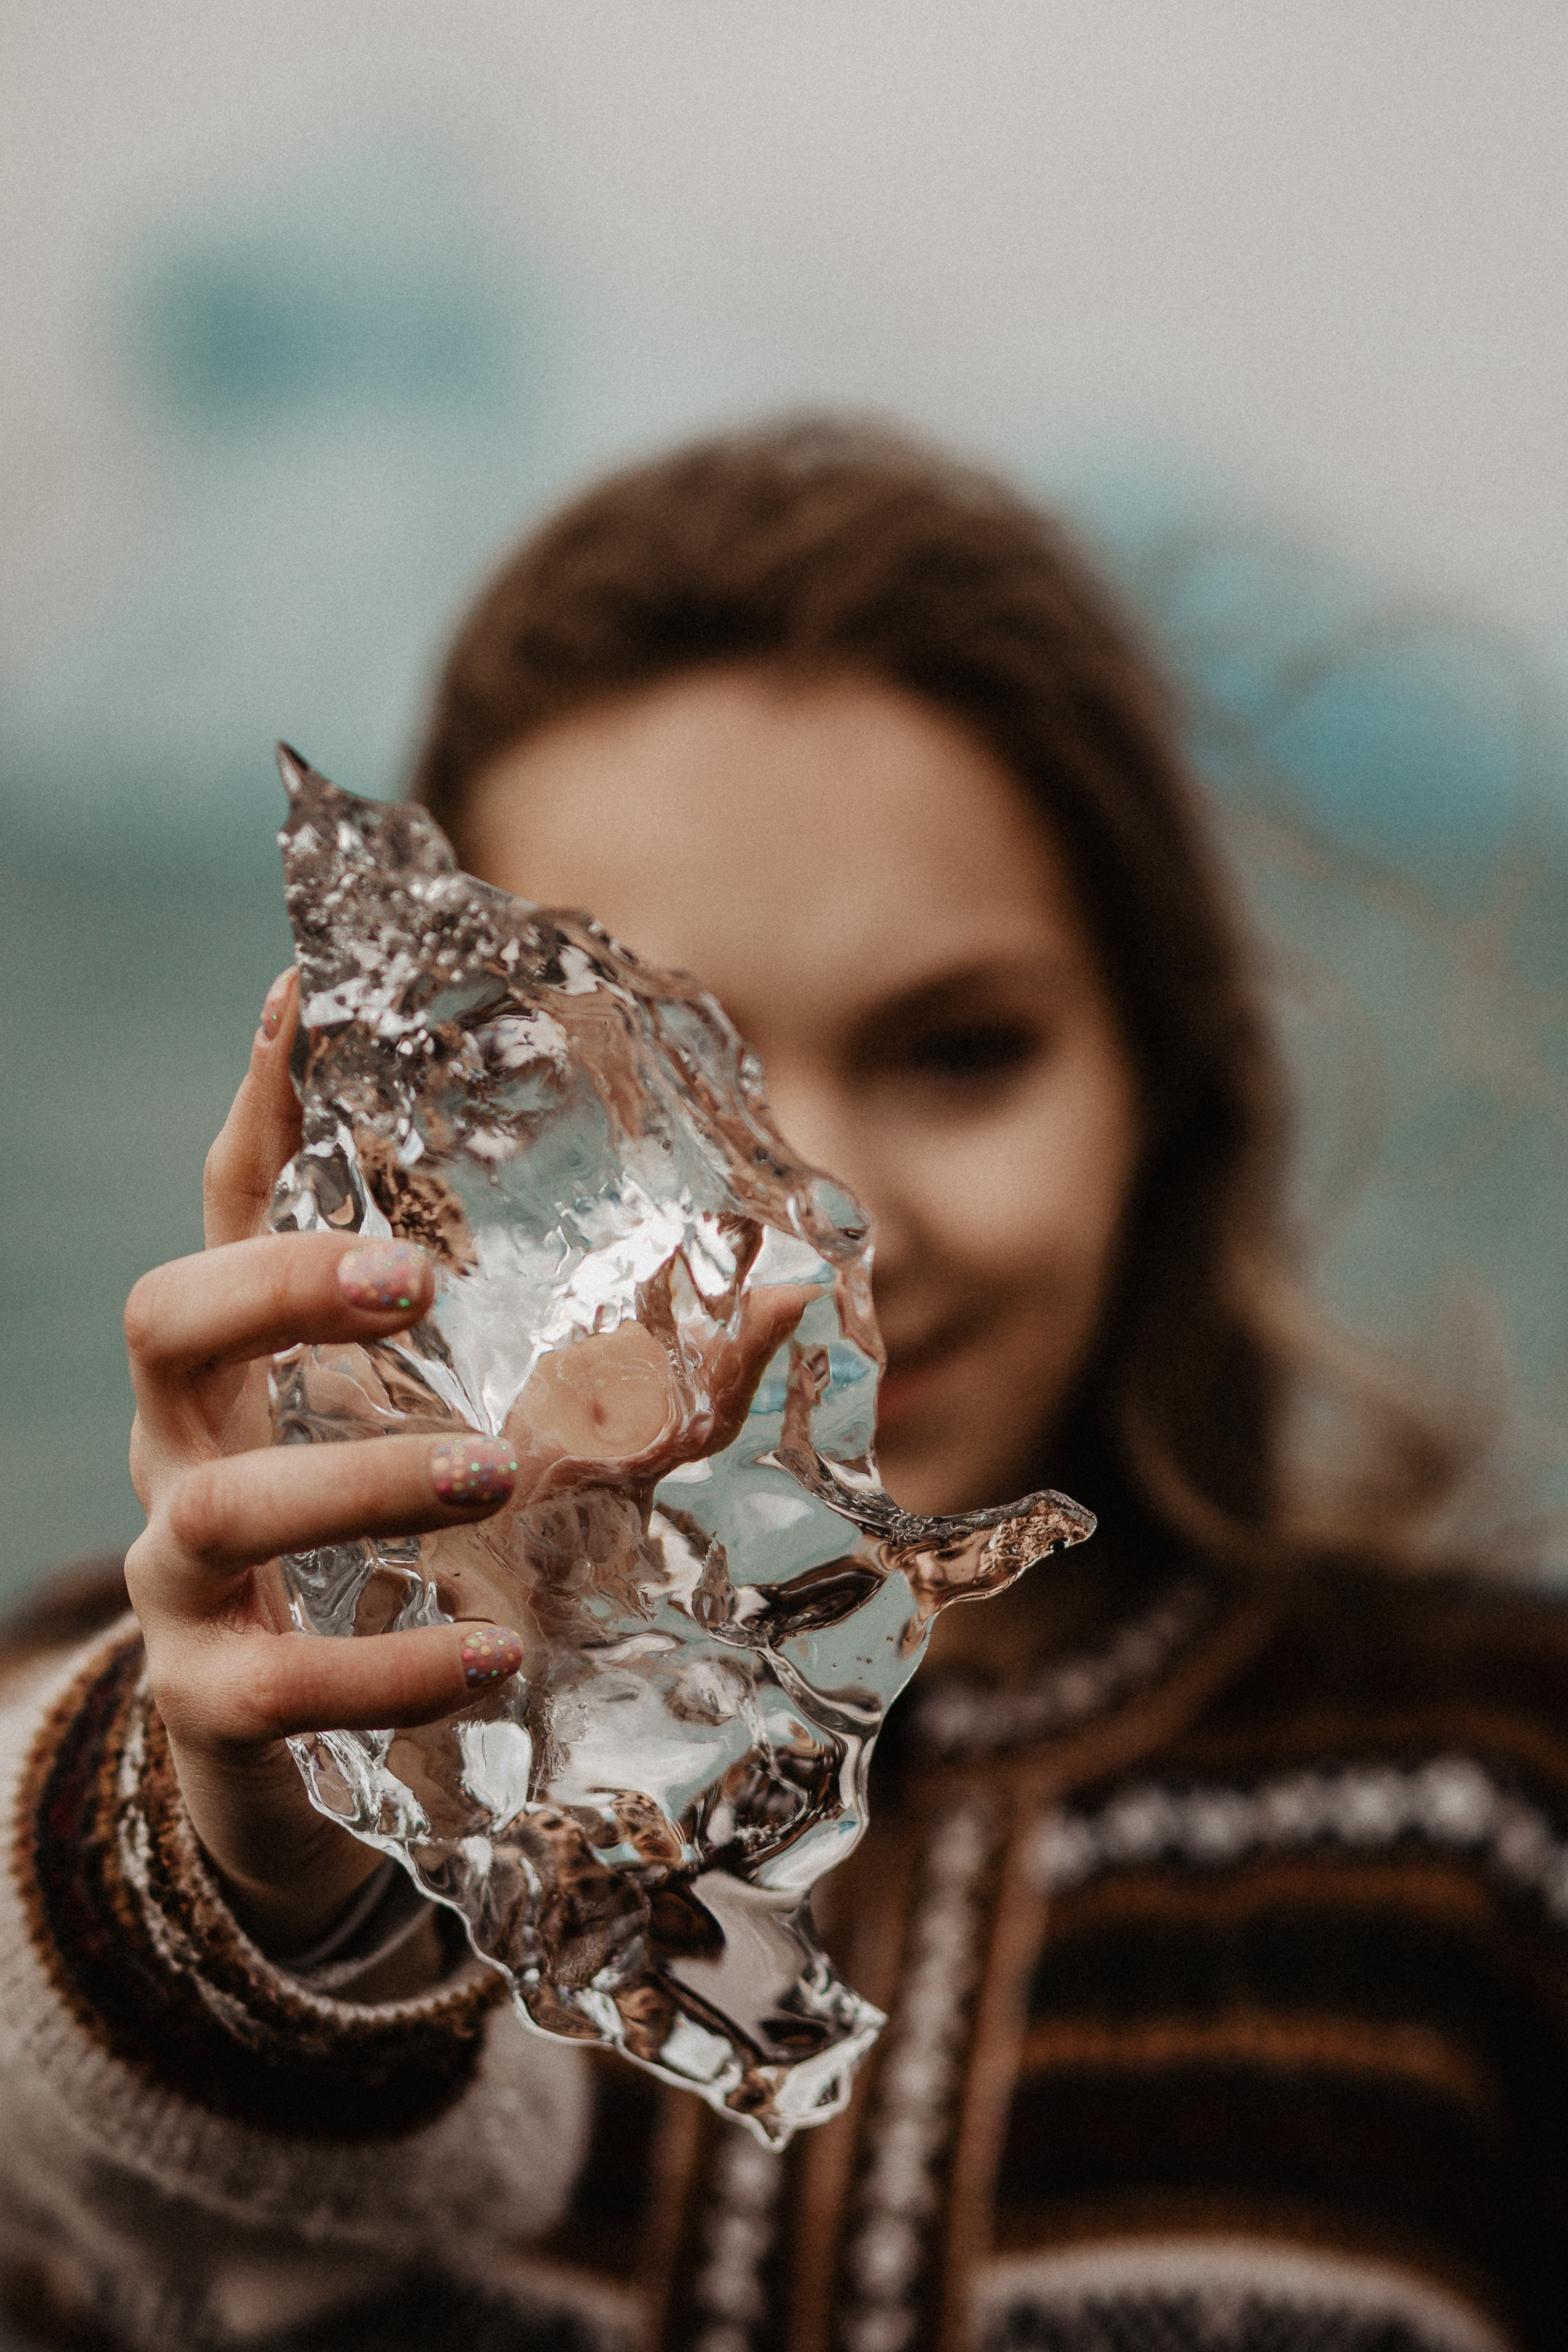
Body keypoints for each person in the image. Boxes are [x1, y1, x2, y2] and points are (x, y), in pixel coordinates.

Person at [3, 419, 1566, 2352]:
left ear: (1162, 1091)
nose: (823, 1231)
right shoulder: (143, 1734)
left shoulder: (1497, 1802)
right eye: (663, 1084)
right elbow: (106, 2156)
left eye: (962, 1048)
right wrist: (267, 1853)